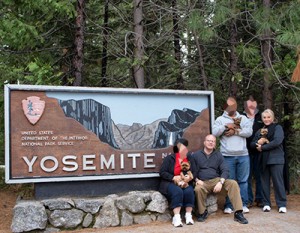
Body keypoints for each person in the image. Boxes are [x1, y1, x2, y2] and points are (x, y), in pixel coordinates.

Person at [192, 134, 248, 224]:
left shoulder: (218, 155)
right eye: (209, 140)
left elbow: (225, 170)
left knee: (233, 183)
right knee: (198, 189)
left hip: (216, 181)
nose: (211, 142)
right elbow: (192, 171)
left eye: (213, 141)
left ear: (215, 144)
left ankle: (238, 213)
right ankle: (202, 212)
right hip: (202, 182)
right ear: (204, 142)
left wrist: (221, 182)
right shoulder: (196, 155)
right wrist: (197, 180)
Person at [212, 97, 253, 214]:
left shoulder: (243, 118)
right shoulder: (220, 119)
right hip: (227, 155)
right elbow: (214, 132)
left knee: (243, 181)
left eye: (233, 105)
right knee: (229, 181)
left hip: (243, 155)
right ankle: (229, 205)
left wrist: (236, 131)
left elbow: (249, 132)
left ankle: (243, 204)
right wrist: (226, 126)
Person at [250, 109, 287, 213]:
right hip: (263, 160)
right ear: (262, 119)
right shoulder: (260, 131)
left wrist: (262, 147)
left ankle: (281, 204)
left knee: (278, 182)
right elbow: (252, 144)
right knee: (264, 182)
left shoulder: (277, 128)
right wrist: (258, 142)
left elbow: (277, 141)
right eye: (264, 117)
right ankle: (266, 203)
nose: (266, 119)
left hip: (276, 159)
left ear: (272, 117)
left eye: (268, 117)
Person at [158, 138, 195, 227]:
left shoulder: (190, 158)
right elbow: (162, 172)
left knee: (189, 191)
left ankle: (188, 215)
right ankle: (176, 217)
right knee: (177, 191)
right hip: (170, 182)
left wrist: (189, 178)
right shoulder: (169, 158)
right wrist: (173, 177)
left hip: (186, 182)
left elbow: (195, 171)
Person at [243, 96, 264, 207]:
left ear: (256, 105)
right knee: (247, 177)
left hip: (259, 151)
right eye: (249, 104)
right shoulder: (241, 117)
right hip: (245, 151)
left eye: (253, 104)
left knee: (259, 175)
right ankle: (249, 199)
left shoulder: (261, 117)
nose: (251, 106)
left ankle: (260, 199)